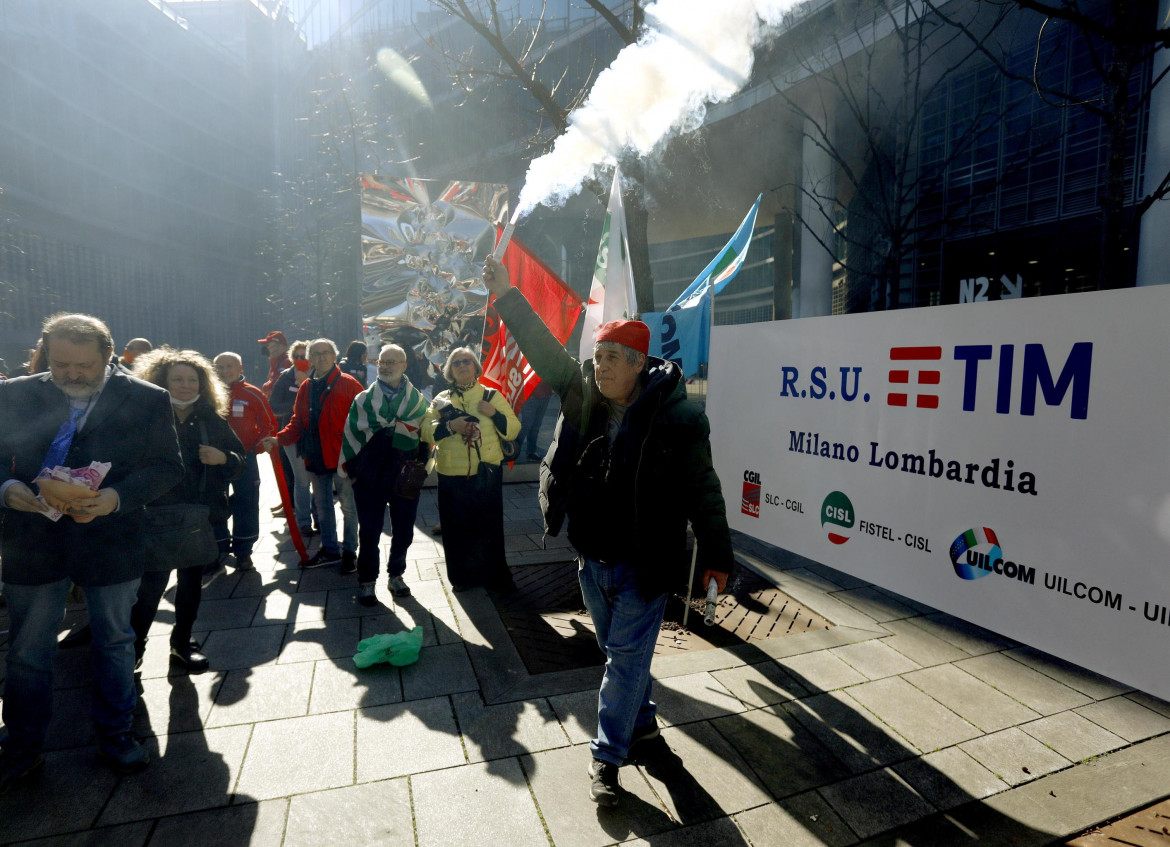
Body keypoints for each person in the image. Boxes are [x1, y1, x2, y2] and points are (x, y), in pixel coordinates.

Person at [481, 256, 733, 808]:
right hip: (590, 560)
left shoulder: (678, 418)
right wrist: (507, 295)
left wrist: (717, 556)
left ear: (639, 364)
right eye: (597, 356)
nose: (601, 366)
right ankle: (643, 727)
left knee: (621, 662)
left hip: (645, 565)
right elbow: (546, 352)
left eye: (612, 358)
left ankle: (606, 758)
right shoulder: (587, 400)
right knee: (624, 659)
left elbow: (704, 492)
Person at [0, 313, 183, 791]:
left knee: (115, 644)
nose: (73, 375)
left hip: (109, 540)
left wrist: (116, 499)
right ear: (45, 353)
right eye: (61, 364)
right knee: (27, 651)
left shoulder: (147, 398)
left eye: (84, 365)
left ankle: (117, 736)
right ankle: (21, 747)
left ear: (108, 355)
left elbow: (166, 467)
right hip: (33, 542)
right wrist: (7, 488)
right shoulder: (14, 394)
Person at [130, 348, 244, 673]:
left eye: (191, 380)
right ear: (161, 381)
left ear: (202, 383)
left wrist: (224, 459)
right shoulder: (148, 416)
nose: (184, 385)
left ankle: (182, 643)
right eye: (177, 379)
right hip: (154, 515)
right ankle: (135, 646)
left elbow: (239, 460)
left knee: (191, 585)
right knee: (149, 588)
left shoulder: (210, 417)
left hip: (197, 517)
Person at [421, 347, 520, 593]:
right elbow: (425, 430)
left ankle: (495, 577)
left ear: (476, 367)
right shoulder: (441, 398)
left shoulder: (491, 395)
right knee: (455, 529)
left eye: (467, 361)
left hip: (486, 471)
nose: (463, 365)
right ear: (450, 371)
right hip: (451, 473)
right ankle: (462, 577)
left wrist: (494, 414)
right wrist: (450, 426)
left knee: (489, 528)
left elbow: (513, 429)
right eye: (457, 363)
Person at [339, 344, 428, 606]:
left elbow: (425, 438)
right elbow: (350, 438)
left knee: (403, 532)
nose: (386, 366)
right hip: (369, 480)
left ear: (404, 366)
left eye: (392, 362)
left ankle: (396, 575)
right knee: (369, 533)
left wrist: (420, 469)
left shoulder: (418, 401)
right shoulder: (363, 400)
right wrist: (354, 475)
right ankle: (367, 581)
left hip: (404, 478)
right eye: (382, 362)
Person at [262, 339, 361, 572]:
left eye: (326, 353)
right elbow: (297, 419)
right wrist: (280, 438)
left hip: (343, 457)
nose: (322, 357)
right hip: (316, 456)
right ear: (310, 358)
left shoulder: (349, 384)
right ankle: (329, 550)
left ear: (334, 356)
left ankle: (349, 551)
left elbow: (363, 420)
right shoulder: (306, 386)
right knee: (324, 507)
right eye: (316, 354)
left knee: (348, 507)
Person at [209, 352, 277, 575]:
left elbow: (268, 425)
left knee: (246, 502)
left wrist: (256, 447)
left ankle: (244, 550)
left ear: (240, 368)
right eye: (220, 366)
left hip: (244, 459)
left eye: (230, 366)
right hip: (213, 459)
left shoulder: (252, 393)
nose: (225, 371)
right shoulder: (207, 394)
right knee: (214, 503)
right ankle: (218, 549)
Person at [268, 340, 317, 537]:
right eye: (296, 356)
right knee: (302, 480)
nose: (300, 360)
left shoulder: (320, 375)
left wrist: (307, 385)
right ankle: (304, 522)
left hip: (316, 434)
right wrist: (297, 403)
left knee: (319, 479)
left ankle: (321, 519)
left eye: (304, 356)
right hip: (293, 432)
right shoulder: (285, 377)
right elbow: (273, 406)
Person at [520, 379, 554, 461]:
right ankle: (512, 450)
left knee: (535, 427)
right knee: (526, 425)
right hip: (530, 396)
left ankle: (530, 452)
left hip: (544, 395)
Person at [257, 330, 291, 398]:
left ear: (280, 347)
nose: (266, 349)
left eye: (268, 345)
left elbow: (277, 384)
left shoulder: (287, 362)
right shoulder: (276, 363)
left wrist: (265, 387)